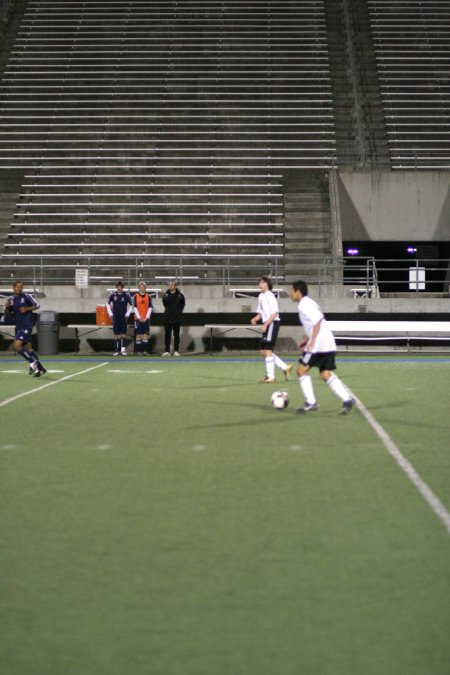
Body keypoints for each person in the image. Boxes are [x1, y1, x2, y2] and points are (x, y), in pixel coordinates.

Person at [290, 279, 355, 414]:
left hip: (318, 345)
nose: (290, 293)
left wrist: (312, 341)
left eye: (292, 290)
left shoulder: (304, 305)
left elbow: (317, 322)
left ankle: (311, 402)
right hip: (327, 343)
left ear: (298, 292)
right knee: (325, 374)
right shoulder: (309, 302)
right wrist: (306, 338)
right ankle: (347, 399)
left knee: (301, 371)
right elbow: (316, 322)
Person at [250, 276, 292, 383]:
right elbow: (261, 312)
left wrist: (266, 324)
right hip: (267, 323)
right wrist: (256, 318)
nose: (260, 285)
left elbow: (274, 313)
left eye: (263, 283)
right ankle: (285, 367)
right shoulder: (261, 296)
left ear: (267, 284)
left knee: (267, 350)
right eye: (260, 283)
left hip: (272, 323)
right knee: (263, 351)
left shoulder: (270, 296)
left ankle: (271, 377)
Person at [4, 281, 46, 377]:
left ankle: (32, 363)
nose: (20, 289)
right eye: (18, 287)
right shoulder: (11, 299)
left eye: (21, 287)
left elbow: (37, 305)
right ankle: (40, 369)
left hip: (26, 325)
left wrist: (27, 309)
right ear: (13, 287)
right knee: (29, 348)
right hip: (18, 326)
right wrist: (7, 308)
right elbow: (8, 311)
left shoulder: (27, 296)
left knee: (17, 346)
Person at [107, 281, 133, 356]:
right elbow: (107, 304)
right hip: (116, 317)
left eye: (120, 287)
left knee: (123, 334)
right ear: (116, 288)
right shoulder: (113, 295)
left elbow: (132, 305)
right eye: (118, 287)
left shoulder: (126, 295)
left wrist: (128, 313)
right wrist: (110, 313)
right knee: (116, 334)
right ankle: (116, 350)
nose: (119, 288)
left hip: (123, 318)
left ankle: (123, 350)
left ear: (122, 288)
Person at [162, 280, 185, 356]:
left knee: (176, 335)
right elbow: (165, 305)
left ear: (175, 286)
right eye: (170, 284)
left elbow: (182, 306)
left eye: (172, 284)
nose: (171, 286)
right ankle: (167, 351)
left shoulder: (180, 296)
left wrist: (176, 313)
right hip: (167, 318)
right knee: (167, 335)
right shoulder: (165, 295)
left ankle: (176, 351)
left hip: (176, 318)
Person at [133, 282, 153, 355]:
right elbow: (134, 308)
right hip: (138, 319)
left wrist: (146, 317)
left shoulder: (148, 296)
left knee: (145, 335)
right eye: (140, 287)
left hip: (146, 319)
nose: (142, 288)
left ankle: (145, 351)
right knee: (138, 335)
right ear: (138, 288)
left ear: (145, 288)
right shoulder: (135, 296)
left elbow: (150, 307)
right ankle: (138, 352)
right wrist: (139, 317)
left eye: (143, 287)